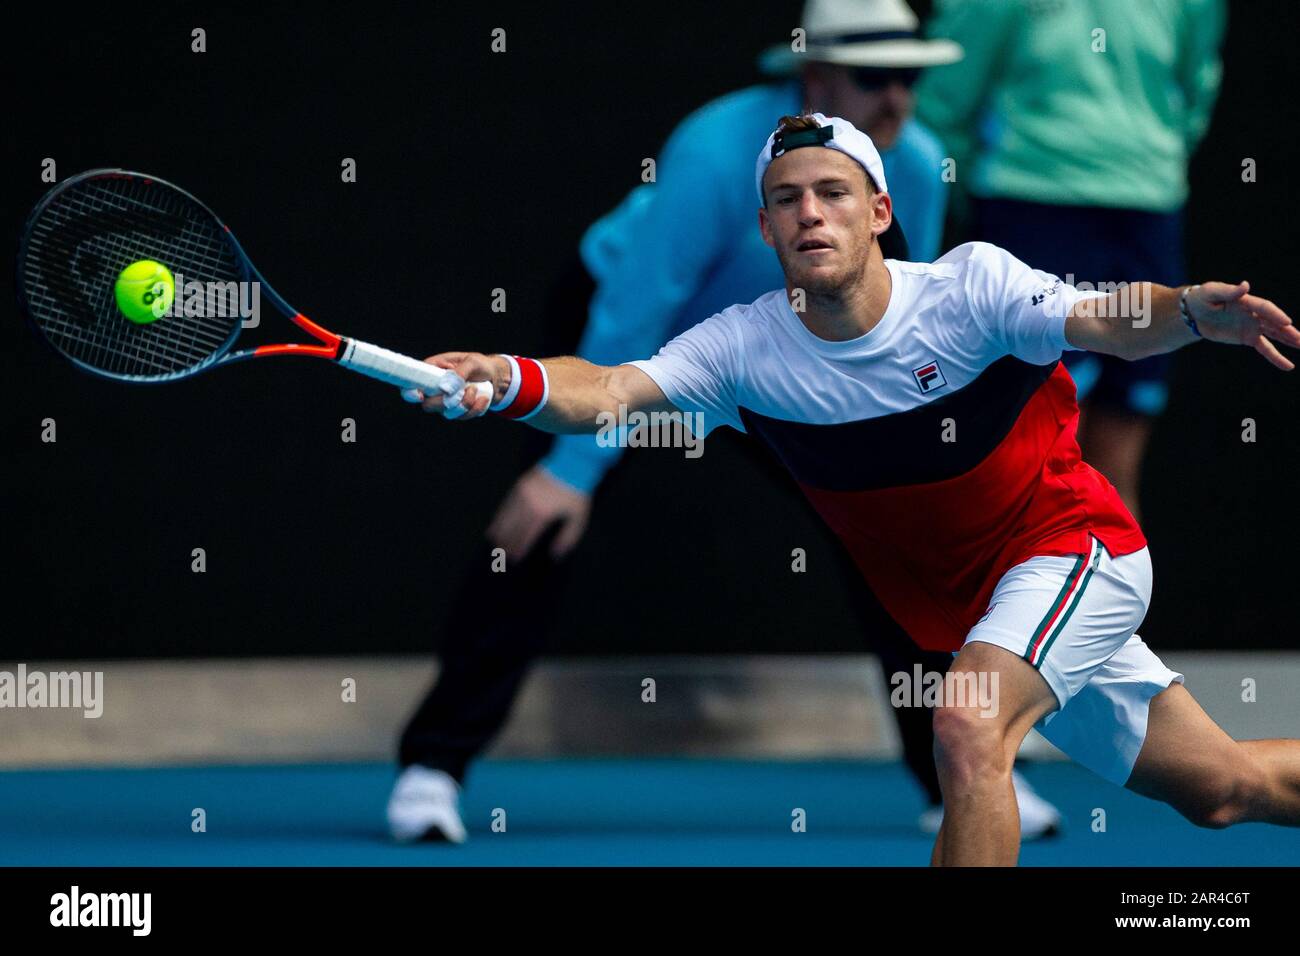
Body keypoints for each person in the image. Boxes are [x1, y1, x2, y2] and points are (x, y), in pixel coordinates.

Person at [408, 112, 1300, 866]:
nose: (811, 215)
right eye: (787, 200)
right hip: (981, 611)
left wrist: (1186, 312)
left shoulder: (968, 291)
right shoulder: (742, 349)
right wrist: (505, 377)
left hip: (1073, 552)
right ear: (764, 229)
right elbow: (607, 391)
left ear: (878, 210)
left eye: (833, 193)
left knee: (966, 723)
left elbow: (1101, 317)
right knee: (1224, 790)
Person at [387, 0, 1061, 844]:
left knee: (902, 537)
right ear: (815, 78)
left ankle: (959, 774)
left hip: (795, 354)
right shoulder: (714, 150)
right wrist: (567, 473)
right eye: (874, 77)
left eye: (911, 77)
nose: (897, 98)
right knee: (537, 524)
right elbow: (638, 308)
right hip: (642, 333)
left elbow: (906, 313)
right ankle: (433, 768)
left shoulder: (915, 164)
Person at [914, 0, 1227, 521]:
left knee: (1118, 454)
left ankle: (1107, 595)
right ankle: (1024, 596)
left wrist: (1148, 161)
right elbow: (945, 99)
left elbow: (1197, 83)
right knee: (1037, 454)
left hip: (1142, 207)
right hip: (1032, 208)